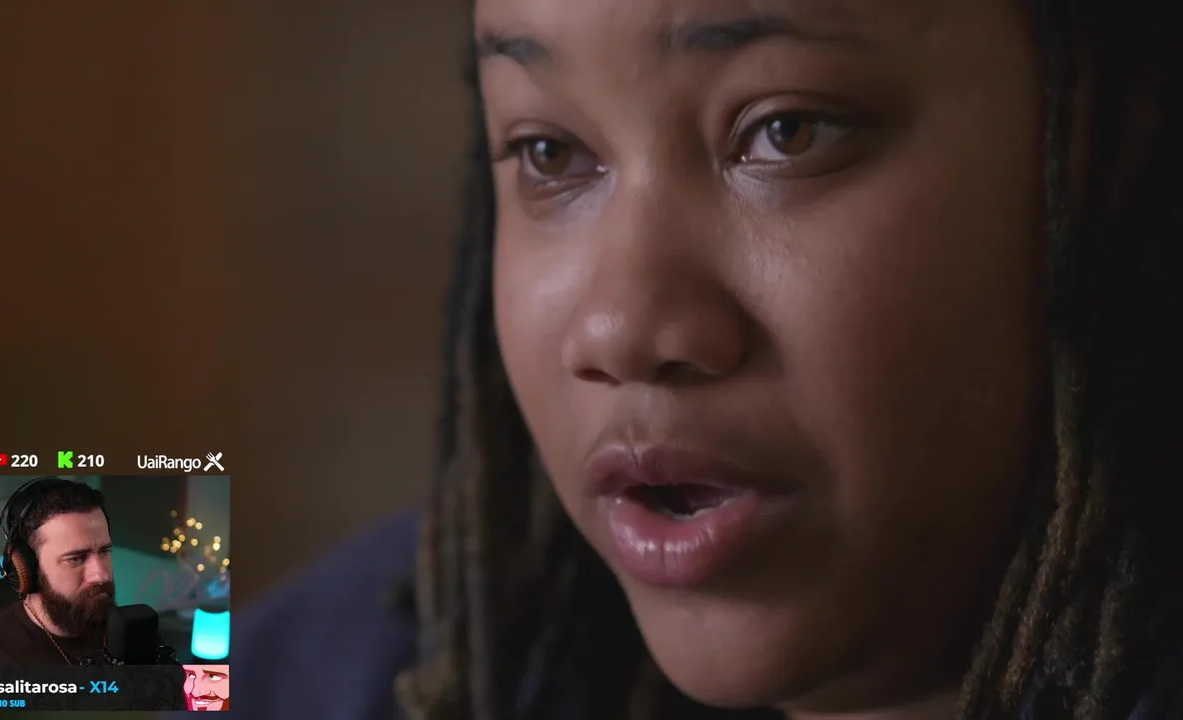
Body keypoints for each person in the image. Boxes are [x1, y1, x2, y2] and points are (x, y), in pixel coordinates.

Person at [237, 0, 1183, 718]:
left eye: (786, 131)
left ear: (1125, 142)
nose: (621, 331)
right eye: (549, 152)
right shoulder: (366, 656)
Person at [0, 479, 117, 665]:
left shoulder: (129, 631)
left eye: (104, 551)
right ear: (26, 567)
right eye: (75, 559)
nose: (101, 576)